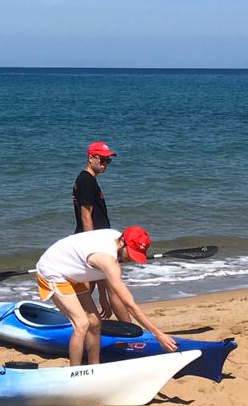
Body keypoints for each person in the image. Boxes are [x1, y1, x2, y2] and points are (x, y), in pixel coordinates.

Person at [34, 225, 178, 365]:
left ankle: (94, 366)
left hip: (72, 270)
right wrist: (158, 334)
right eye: (131, 253)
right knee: (82, 323)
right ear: (122, 242)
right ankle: (74, 372)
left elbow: (97, 270)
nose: (132, 259)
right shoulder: (108, 260)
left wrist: (103, 296)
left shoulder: (115, 238)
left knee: (95, 322)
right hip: (53, 271)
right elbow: (129, 304)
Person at [72, 141, 119, 317]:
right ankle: (130, 333)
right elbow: (86, 216)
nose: (105, 164)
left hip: (93, 239)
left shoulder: (88, 180)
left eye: (108, 161)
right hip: (92, 240)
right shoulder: (86, 181)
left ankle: (77, 320)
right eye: (103, 159)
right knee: (108, 288)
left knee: (88, 287)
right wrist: (93, 247)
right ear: (91, 157)